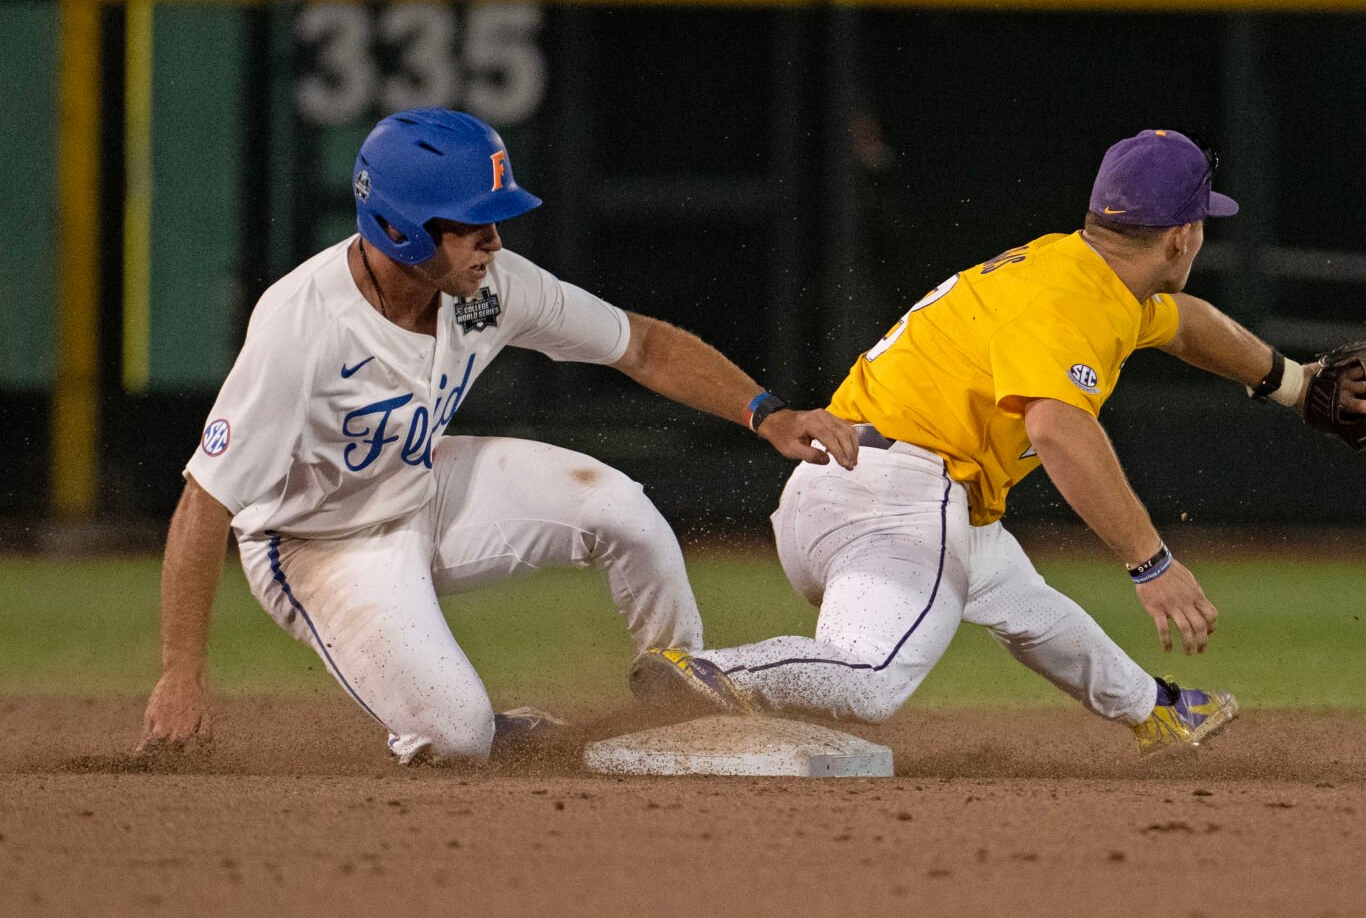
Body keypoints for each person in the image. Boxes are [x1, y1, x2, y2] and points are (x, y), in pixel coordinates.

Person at [631, 128, 1366, 755]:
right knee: (871, 680)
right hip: (894, 499)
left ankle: (1155, 709)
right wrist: (1148, 563)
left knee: (1017, 596)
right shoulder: (1069, 303)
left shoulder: (1088, 274)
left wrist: (1290, 382)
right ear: (1184, 234)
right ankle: (705, 673)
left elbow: (1186, 323)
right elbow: (1057, 428)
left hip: (849, 488)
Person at [137, 108, 858, 763]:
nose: (494, 241)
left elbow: (640, 345)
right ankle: (485, 729)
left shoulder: (489, 285)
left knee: (621, 509)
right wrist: (180, 671)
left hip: (422, 482)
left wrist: (765, 413)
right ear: (399, 228)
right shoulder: (302, 327)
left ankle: (684, 694)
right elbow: (205, 500)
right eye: (471, 224)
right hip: (314, 542)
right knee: (456, 739)